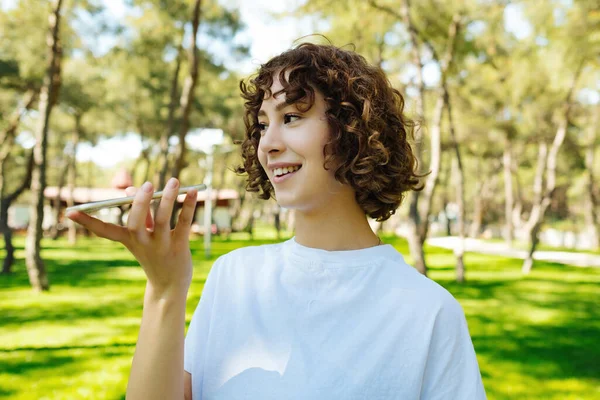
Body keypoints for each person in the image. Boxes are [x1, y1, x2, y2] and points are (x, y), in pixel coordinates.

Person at [68, 41, 486, 400]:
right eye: (263, 125)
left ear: (353, 132)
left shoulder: (429, 313)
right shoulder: (234, 275)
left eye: (291, 118)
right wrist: (164, 290)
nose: (267, 143)